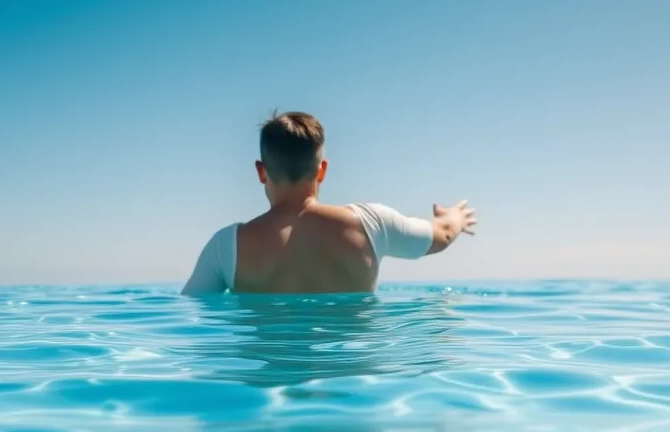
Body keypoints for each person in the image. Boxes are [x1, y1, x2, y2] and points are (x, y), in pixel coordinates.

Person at [181, 111, 477, 295]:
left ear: (261, 171)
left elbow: (192, 316)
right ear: (322, 169)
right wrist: (455, 217)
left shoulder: (226, 246)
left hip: (265, 389)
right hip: (351, 386)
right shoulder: (372, 224)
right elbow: (442, 236)